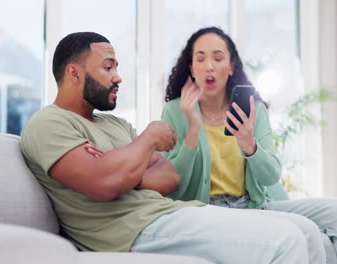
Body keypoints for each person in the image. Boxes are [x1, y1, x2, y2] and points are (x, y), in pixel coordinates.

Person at [20, 31, 313, 264]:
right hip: (136, 232)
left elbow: (170, 177)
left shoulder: (115, 126)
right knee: (286, 241)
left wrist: (119, 166)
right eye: (108, 67)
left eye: (117, 67)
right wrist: (145, 142)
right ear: (74, 73)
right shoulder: (49, 123)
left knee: (306, 232)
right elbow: (104, 184)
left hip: (172, 213)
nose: (118, 76)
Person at [161, 27, 337, 264]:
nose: (209, 65)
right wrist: (192, 130)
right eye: (200, 58)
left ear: (231, 67)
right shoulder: (175, 111)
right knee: (307, 231)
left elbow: (270, 176)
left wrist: (250, 145)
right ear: (191, 68)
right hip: (208, 212)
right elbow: (173, 187)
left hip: (252, 206)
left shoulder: (253, 109)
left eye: (218, 58)